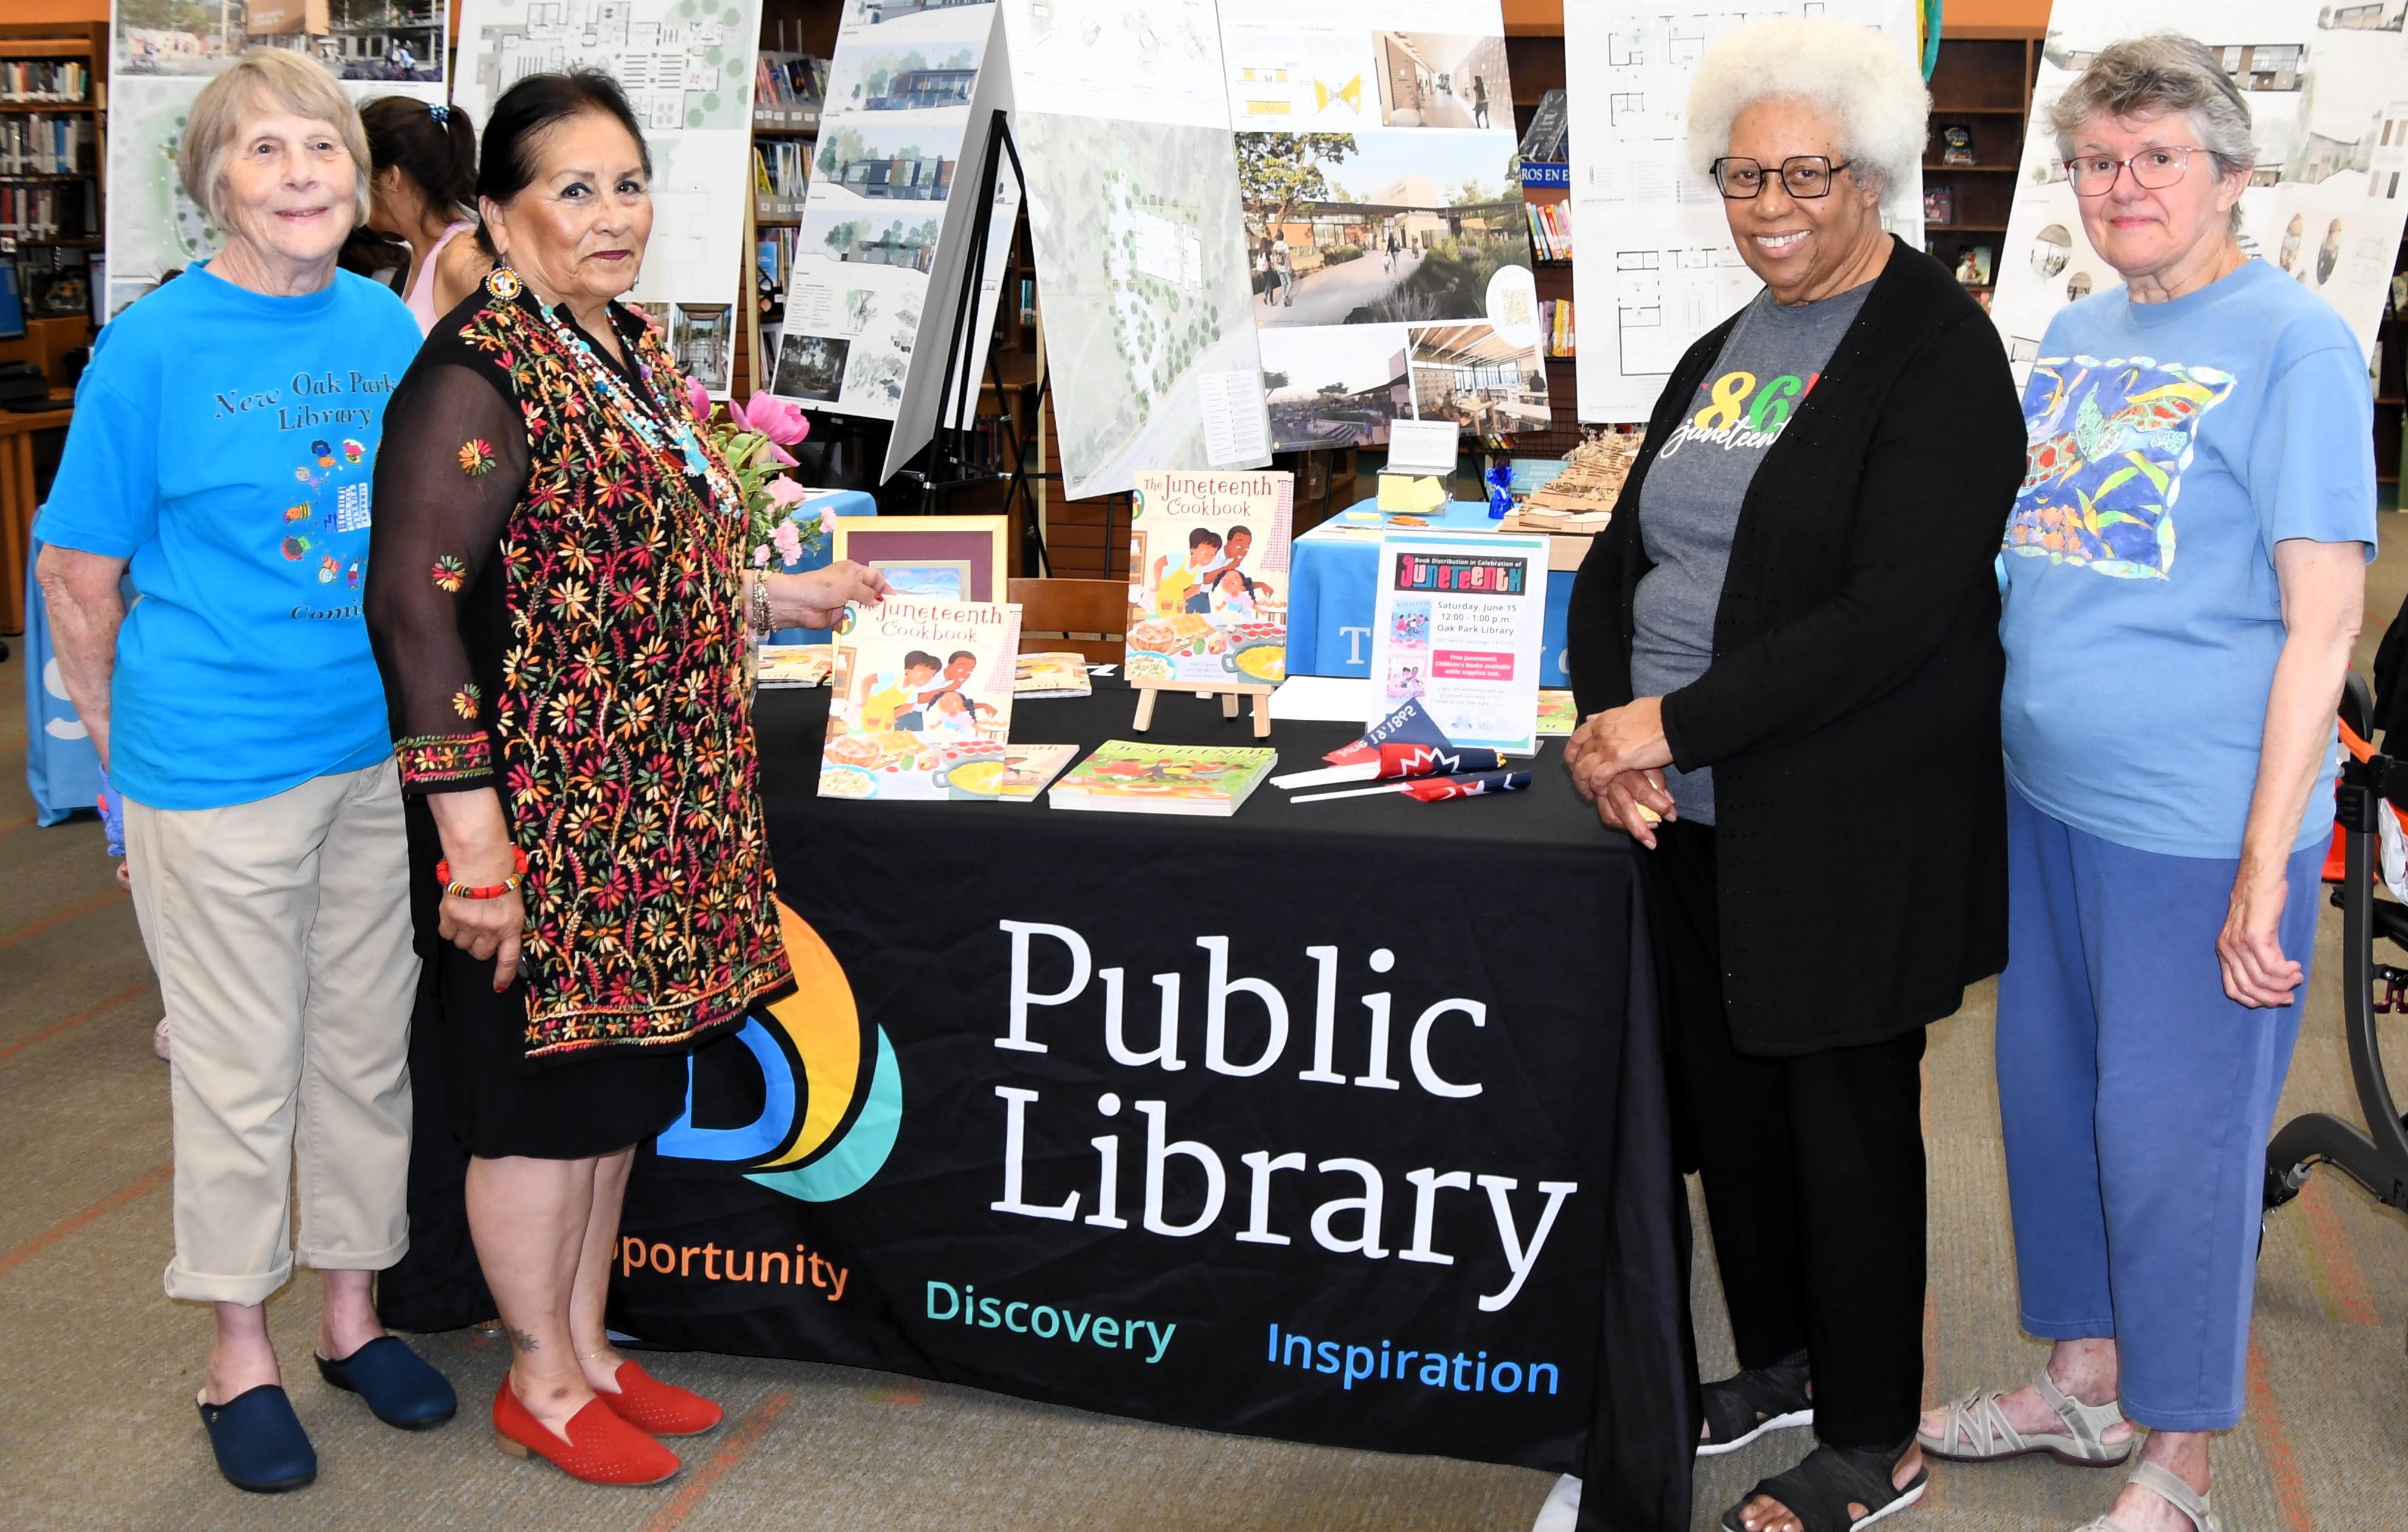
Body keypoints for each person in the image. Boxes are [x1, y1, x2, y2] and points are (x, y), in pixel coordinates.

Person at [362, 69, 888, 1487]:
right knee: (540, 1114)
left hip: (662, 818)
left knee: (615, 1105)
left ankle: (589, 1350)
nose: (612, 216)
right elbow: (415, 607)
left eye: (630, 184)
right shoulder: (476, 372)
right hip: (543, 825)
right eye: (572, 190)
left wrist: (785, 597)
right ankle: (537, 1376)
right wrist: (474, 846)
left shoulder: (628, 349)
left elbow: (642, 554)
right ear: (498, 211)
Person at [1561, 18, 2023, 1532]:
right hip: (1695, 816)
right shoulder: (1732, 342)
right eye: (1745, 175)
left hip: (1844, 822)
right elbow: (1626, 552)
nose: (1772, 205)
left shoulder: (1939, 355)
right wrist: (1607, 724)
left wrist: (1671, 728)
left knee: (1845, 1129)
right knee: (1736, 1110)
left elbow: (1889, 615)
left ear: (1872, 173)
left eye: (1806, 174)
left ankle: (1876, 1435)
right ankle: (1780, 1365)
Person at [1921, 36, 2373, 1532]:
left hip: (2196, 827)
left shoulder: (2296, 344)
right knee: (2053, 1107)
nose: (2125, 187)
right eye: (2100, 162)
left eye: (2158, 158)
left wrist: (2268, 860)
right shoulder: (2084, 330)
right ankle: (2086, 1379)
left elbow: (2326, 620)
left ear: (2233, 177)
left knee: (2175, 1145)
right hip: (2051, 798)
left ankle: (2183, 1461)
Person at [33, 49, 455, 1496]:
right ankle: (239, 1355)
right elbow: (76, 578)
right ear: (213, 179)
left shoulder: (381, 329)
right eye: (265, 153)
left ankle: (350, 1317)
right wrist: (118, 775)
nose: (300, 179)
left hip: (368, 754)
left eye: (322, 152)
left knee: (361, 1049)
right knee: (235, 1069)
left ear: (359, 179)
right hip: (210, 763)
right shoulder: (151, 349)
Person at [361, 95, 491, 333]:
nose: (356, 193)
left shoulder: (464, 259)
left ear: (391, 178)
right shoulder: (421, 257)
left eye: (361, 177)